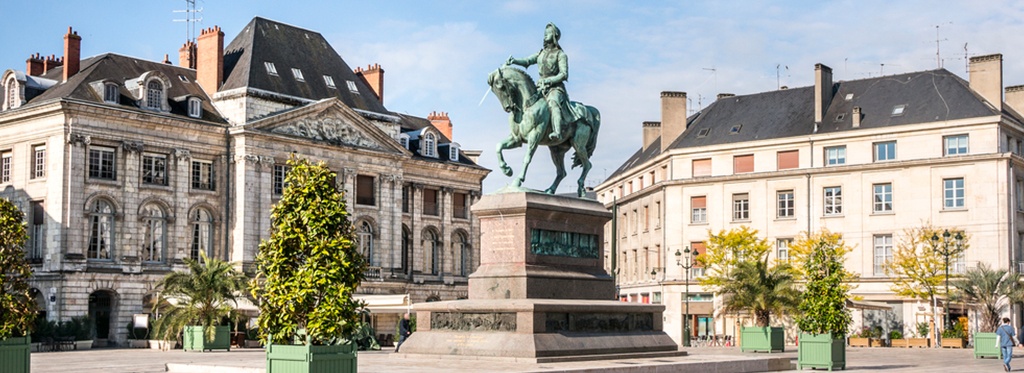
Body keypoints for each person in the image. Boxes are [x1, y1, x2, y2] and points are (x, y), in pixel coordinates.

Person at [506, 23, 575, 141]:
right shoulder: (541, 53)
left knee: (553, 103)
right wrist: (514, 61)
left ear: (554, 35)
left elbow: (564, 74)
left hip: (555, 88)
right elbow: (528, 60)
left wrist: (549, 80)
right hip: (540, 88)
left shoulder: (560, 54)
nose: (545, 35)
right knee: (526, 103)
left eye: (548, 33)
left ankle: (557, 132)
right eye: (544, 33)